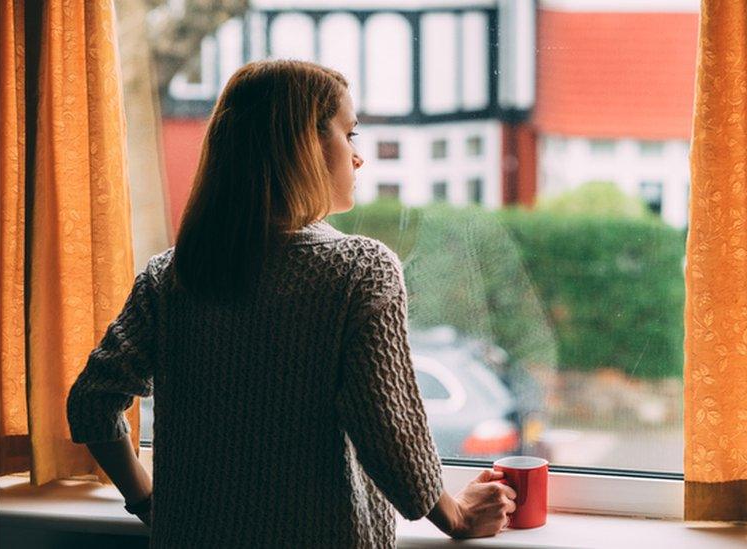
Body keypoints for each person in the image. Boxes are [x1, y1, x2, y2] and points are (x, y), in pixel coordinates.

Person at [66, 59, 517, 548]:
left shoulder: (172, 275)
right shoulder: (359, 269)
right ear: (306, 144)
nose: (358, 157)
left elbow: (92, 402)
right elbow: (388, 427)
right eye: (350, 134)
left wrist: (148, 502)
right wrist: (456, 516)